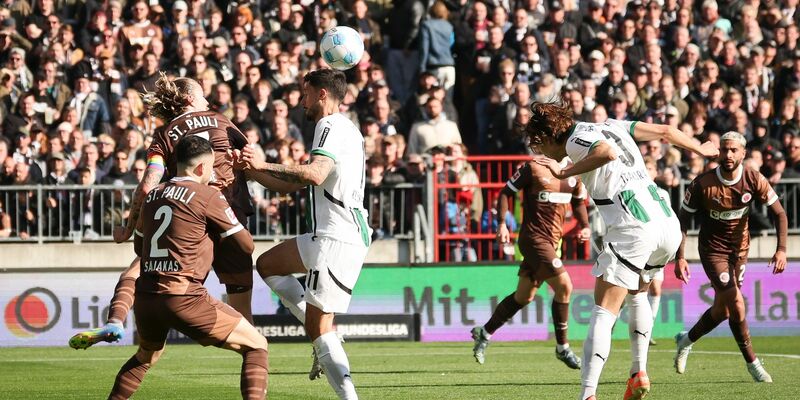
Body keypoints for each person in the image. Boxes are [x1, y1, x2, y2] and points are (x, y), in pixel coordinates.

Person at [527, 100, 718, 400]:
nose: (540, 152)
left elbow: (606, 152)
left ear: (550, 135)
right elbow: (666, 131)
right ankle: (638, 372)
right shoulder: (613, 125)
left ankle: (587, 395)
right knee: (638, 294)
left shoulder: (577, 138)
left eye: (539, 145)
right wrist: (700, 149)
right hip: (665, 223)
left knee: (603, 310)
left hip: (634, 225)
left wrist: (564, 173)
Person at [68, 74, 254, 349]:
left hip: (185, 217)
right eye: (203, 95)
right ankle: (256, 364)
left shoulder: (165, 135)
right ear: (191, 99)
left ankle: (115, 321)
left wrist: (129, 227)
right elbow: (250, 158)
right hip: (228, 219)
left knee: (137, 271)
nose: (207, 100)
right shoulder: (222, 121)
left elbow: (146, 187)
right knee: (245, 322)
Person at [235, 68, 370, 400]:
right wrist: (253, 171)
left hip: (337, 237)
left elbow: (312, 174)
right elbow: (296, 182)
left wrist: (263, 164)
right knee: (267, 265)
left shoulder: (329, 125)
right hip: (327, 234)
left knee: (317, 328)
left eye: (306, 94)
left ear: (322, 94)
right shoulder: (346, 127)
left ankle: (348, 393)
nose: (302, 101)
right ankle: (326, 340)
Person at [106, 135, 267, 400]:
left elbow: (139, 249)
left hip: (147, 298)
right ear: (202, 168)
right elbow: (246, 246)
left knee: (146, 356)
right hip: (184, 296)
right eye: (212, 167)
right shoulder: (207, 195)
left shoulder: (153, 194)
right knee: (257, 346)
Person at [673, 131, 787, 383]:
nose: (728, 155)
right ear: (719, 152)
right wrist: (680, 256)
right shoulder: (703, 183)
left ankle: (686, 339)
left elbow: (779, 213)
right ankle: (753, 363)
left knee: (723, 310)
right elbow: (682, 219)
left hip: (741, 252)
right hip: (712, 251)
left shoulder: (753, 179)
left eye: (734, 150)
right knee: (736, 303)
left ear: (743, 154)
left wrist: (781, 249)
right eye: (724, 150)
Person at [471, 156, 590, 369]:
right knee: (565, 287)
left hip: (553, 244)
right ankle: (562, 348)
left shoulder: (574, 172)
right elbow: (506, 192)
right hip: (533, 240)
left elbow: (579, 201)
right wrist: (502, 225)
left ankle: (484, 332)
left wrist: (584, 225)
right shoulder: (534, 168)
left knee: (523, 296)